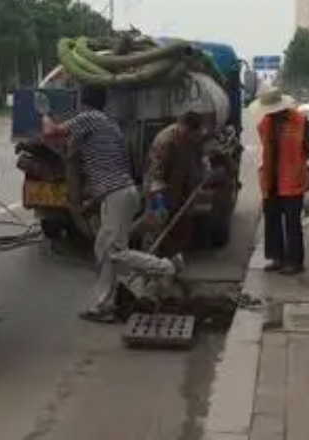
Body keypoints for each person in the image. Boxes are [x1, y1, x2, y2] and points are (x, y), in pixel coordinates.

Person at [42, 85, 140, 323]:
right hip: (120, 194)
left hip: (117, 195)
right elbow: (106, 168)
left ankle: (162, 268)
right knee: (104, 249)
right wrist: (92, 203)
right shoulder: (108, 123)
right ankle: (115, 299)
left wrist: (43, 113)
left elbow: (51, 133)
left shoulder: (89, 118)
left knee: (112, 252)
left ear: (82, 102)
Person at [252, 87, 309, 275]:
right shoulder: (264, 124)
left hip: (293, 178)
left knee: (293, 223)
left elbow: (307, 148)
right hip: (271, 178)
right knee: (272, 220)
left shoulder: (300, 121)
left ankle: (294, 261)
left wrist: (296, 164)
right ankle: (276, 257)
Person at [141, 112, 208, 255]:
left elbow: (198, 161)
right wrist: (159, 205)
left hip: (180, 189)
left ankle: (172, 262)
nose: (195, 138)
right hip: (159, 192)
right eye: (192, 135)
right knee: (156, 229)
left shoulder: (194, 138)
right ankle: (151, 265)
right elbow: (155, 177)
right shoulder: (165, 142)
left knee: (182, 228)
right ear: (185, 129)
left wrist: (202, 171)